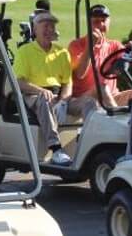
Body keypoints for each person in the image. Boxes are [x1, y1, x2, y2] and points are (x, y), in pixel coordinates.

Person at [14, 11, 93, 165]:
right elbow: (20, 82)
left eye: (52, 26)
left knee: (89, 102)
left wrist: (63, 100)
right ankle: (56, 149)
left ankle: (89, 143)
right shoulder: (25, 52)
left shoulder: (62, 52)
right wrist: (41, 91)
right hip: (33, 94)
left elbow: (67, 82)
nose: (49, 29)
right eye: (45, 26)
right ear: (35, 29)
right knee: (45, 99)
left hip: (58, 96)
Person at [67, 4, 132, 108]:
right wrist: (90, 46)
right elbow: (80, 74)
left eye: (104, 21)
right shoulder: (76, 45)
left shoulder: (114, 45)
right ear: (89, 24)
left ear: (109, 22)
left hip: (111, 96)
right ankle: (115, 121)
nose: (100, 25)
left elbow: (124, 66)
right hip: (83, 99)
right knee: (101, 88)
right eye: (96, 22)